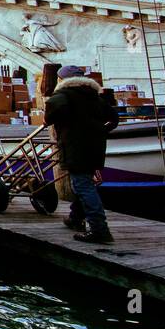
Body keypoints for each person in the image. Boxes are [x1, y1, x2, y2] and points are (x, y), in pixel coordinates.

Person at [45, 64, 119, 243]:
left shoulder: (62, 96)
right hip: (95, 147)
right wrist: (101, 131)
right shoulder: (96, 97)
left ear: (62, 80)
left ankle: (99, 229)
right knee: (84, 181)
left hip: (74, 146)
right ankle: (75, 217)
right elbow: (114, 119)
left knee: (82, 184)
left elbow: (49, 118)